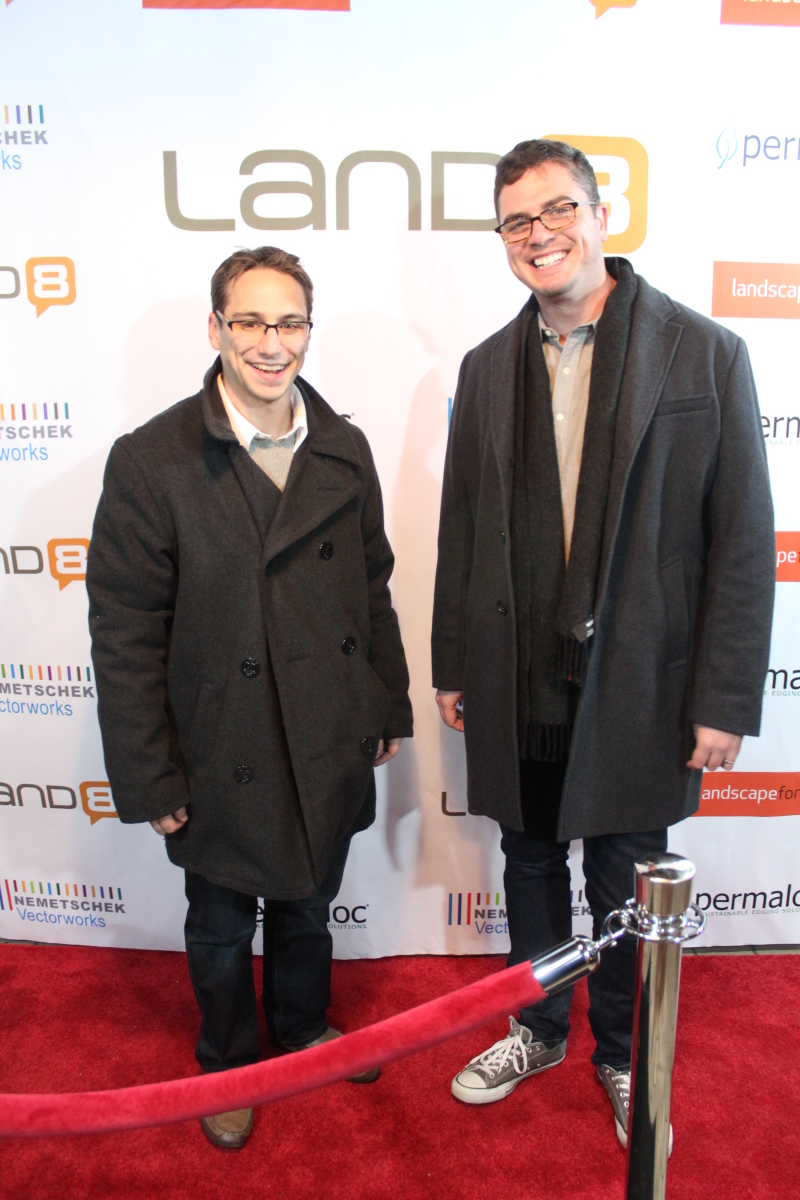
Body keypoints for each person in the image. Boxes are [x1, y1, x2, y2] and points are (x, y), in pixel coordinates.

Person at [431, 140, 774, 1148]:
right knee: (529, 861)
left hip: (641, 683)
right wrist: (452, 662)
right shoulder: (485, 367)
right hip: (518, 673)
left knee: (626, 884)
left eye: (556, 210)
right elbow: (461, 527)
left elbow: (741, 540)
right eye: (516, 221)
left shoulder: (704, 352)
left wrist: (723, 699)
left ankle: (622, 1052)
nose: (538, 235)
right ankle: (536, 1029)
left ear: (599, 213)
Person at [87, 245, 412, 1150]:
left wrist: (385, 703)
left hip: (325, 726)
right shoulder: (151, 459)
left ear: (309, 329)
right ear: (216, 329)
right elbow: (124, 633)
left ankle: (302, 1029)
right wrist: (150, 776)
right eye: (251, 322)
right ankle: (228, 1064)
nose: (273, 343)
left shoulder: (343, 446)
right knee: (222, 924)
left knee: (309, 902)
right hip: (220, 739)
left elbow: (371, 588)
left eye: (290, 322)